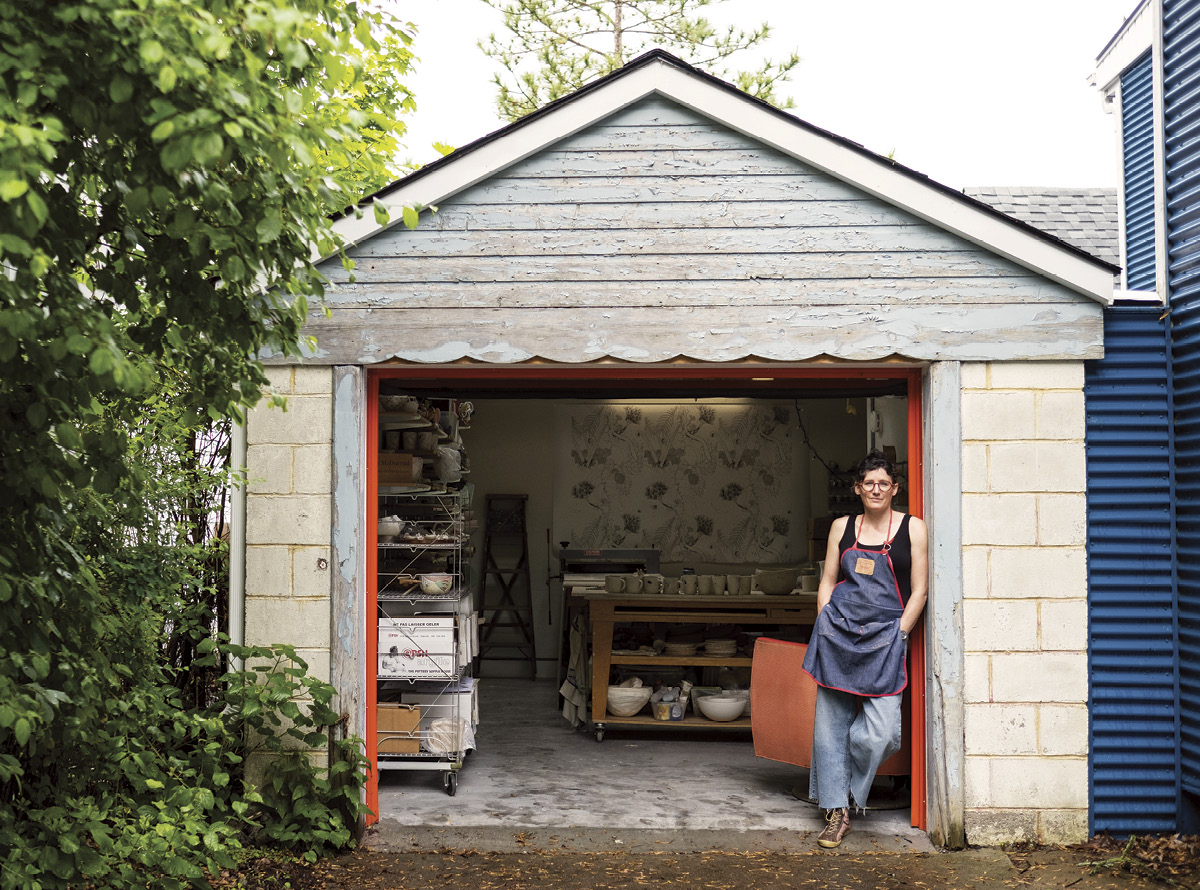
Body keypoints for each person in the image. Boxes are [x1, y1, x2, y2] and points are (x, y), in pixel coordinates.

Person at [801, 450, 928, 849]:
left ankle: (840, 781)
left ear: (895, 488)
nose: (876, 489)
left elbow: (921, 589)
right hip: (838, 635)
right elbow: (827, 578)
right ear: (858, 488)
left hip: (885, 639)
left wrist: (901, 633)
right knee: (829, 728)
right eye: (868, 483)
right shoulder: (842, 527)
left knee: (883, 733)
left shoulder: (914, 529)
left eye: (884, 483)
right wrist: (824, 619)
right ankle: (837, 812)